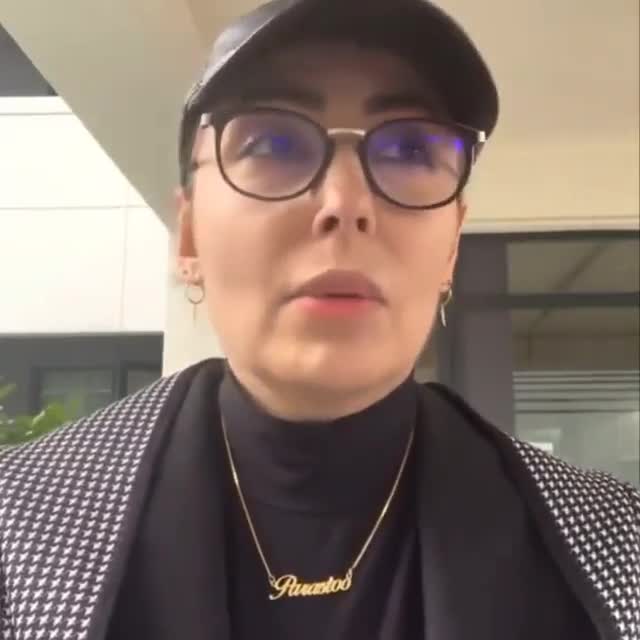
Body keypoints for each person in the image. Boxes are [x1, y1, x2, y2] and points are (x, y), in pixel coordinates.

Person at [0, 1, 638, 639]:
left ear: (450, 248)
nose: (344, 202)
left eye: (410, 148)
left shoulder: (617, 545)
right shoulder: (20, 531)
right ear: (189, 235)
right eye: (273, 143)